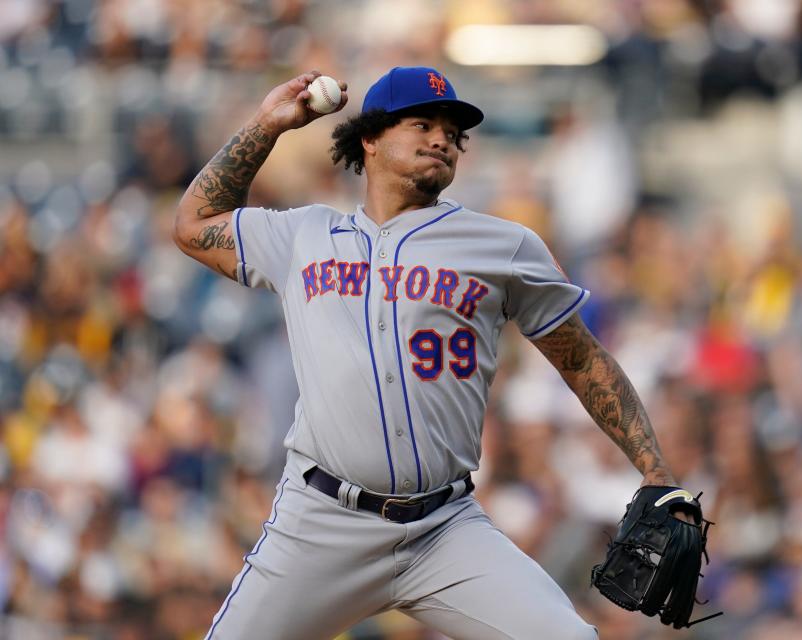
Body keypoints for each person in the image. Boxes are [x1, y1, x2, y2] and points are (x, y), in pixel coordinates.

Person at [173, 66, 691, 639]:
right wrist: (268, 125)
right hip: (320, 522)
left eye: (452, 131)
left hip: (444, 527)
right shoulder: (303, 235)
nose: (442, 138)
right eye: (422, 123)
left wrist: (653, 466)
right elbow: (194, 223)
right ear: (369, 138)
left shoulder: (503, 245)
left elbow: (581, 358)